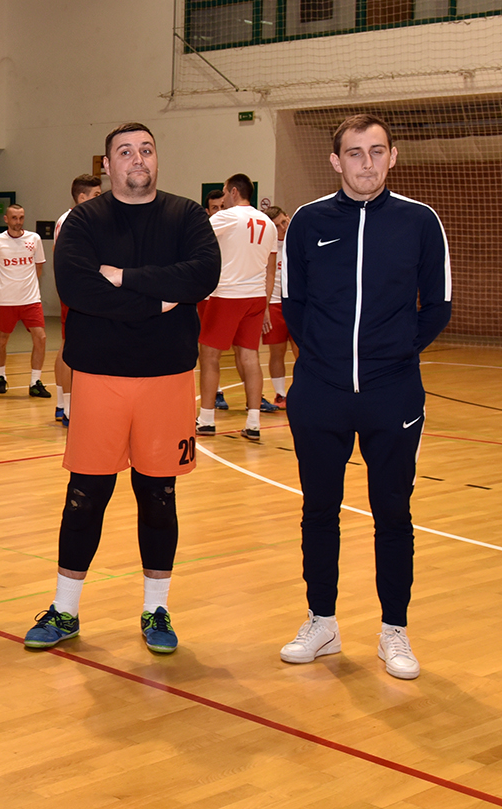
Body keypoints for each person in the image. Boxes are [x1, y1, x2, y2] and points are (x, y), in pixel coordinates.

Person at [24, 123, 219, 656]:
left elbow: (202, 276)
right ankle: (65, 610)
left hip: (167, 379)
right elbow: (78, 288)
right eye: (126, 152)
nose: (138, 159)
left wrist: (125, 278)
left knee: (158, 496)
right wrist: (160, 297)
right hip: (99, 378)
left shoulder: (187, 215)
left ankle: (157, 609)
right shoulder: (84, 221)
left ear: (157, 159)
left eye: (146, 150)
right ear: (107, 165)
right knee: (85, 496)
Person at [278, 113, 451, 680]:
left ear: (392, 157)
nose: (367, 163)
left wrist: (393, 353)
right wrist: (326, 358)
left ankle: (394, 630)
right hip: (320, 393)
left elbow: (438, 305)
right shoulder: (308, 221)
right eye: (355, 153)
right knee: (319, 510)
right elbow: (294, 303)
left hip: (392, 393)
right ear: (336, 161)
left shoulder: (419, 221)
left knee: (393, 513)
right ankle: (321, 621)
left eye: (377, 151)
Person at [195, 173, 277, 442]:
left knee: (209, 356)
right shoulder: (268, 223)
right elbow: (270, 270)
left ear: (232, 192)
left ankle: (206, 419)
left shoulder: (227, 217)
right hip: (256, 297)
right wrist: (265, 303)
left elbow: (194, 238)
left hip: (228, 295)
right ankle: (253, 423)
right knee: (250, 357)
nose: (222, 199)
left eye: (223, 192)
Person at [51, 174, 103, 425]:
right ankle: (69, 408)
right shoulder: (72, 220)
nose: (100, 200)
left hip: (80, 290)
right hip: (75, 291)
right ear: (82, 197)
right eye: (96, 195)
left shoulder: (78, 219)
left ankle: (63, 404)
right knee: (69, 345)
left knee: (70, 344)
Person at [0, 203, 51, 398]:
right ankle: (0, 377)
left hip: (31, 300)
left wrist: (26, 287)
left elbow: (38, 268)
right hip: (7, 301)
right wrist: (8, 288)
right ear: (6, 219)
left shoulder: (34, 239)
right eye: (14, 218)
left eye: (21, 217)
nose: (18, 221)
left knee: (40, 337)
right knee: (2, 339)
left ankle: (35, 382)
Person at [261, 205, 293, 409]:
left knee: (303, 352)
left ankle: (303, 393)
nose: (282, 228)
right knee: (277, 352)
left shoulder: (298, 241)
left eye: (284, 222)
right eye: (277, 226)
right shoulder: (266, 248)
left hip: (297, 303)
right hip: (273, 304)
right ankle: (280, 395)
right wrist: (263, 307)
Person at [203, 188, 228, 410]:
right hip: (207, 296)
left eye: (223, 206)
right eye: (214, 208)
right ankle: (216, 392)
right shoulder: (203, 232)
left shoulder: (235, 227)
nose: (219, 211)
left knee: (242, 350)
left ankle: (255, 398)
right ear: (207, 211)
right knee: (209, 350)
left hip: (230, 295)